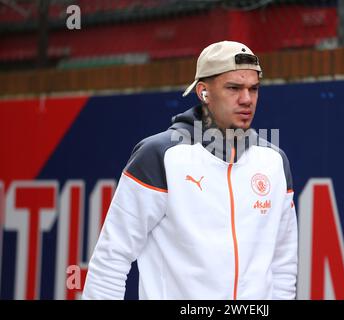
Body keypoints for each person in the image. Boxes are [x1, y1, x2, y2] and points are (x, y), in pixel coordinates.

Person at [82, 40, 298, 300]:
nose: (246, 99)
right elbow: (111, 258)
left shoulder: (273, 161)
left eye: (254, 89)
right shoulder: (159, 155)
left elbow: (283, 265)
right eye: (234, 88)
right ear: (203, 92)